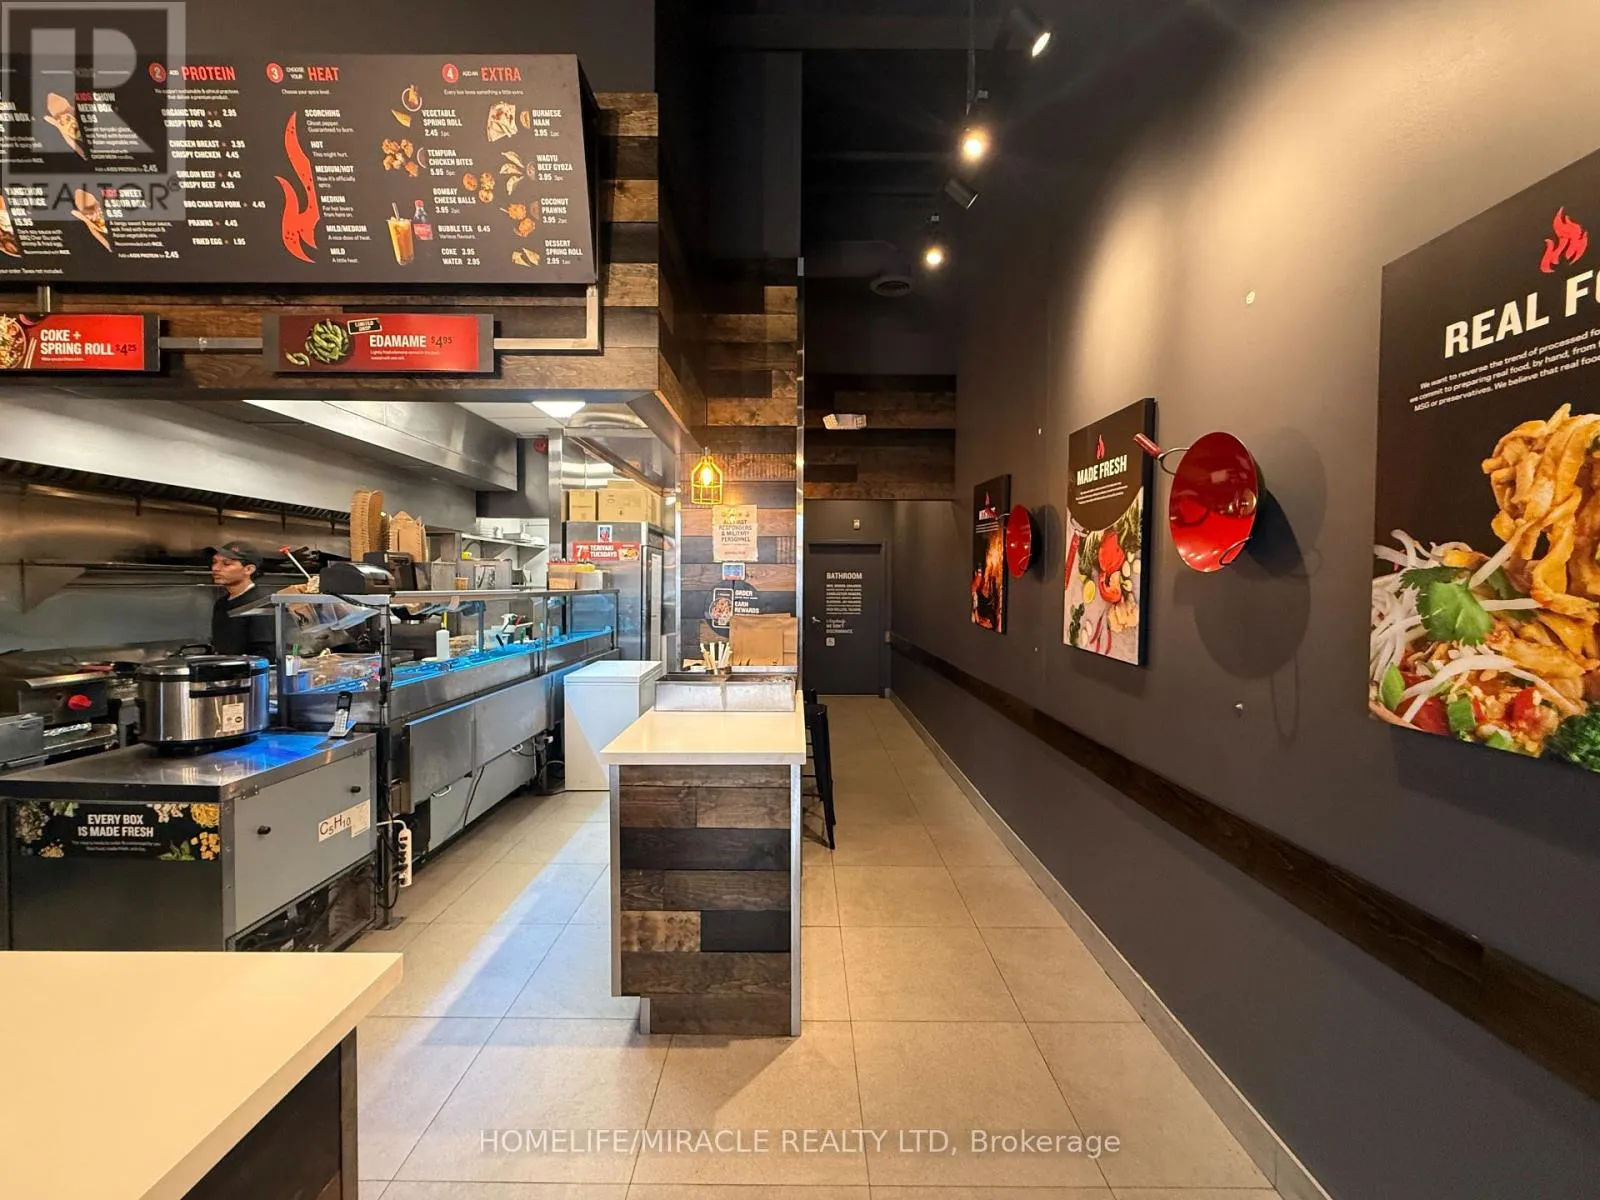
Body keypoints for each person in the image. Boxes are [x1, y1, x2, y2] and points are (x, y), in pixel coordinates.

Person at [209, 542, 277, 659]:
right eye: (214, 562)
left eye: (226, 563)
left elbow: (266, 654)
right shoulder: (221, 603)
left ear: (249, 569)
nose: (215, 568)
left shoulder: (261, 603)